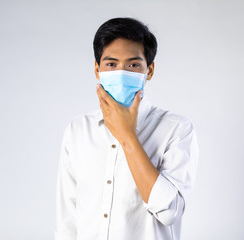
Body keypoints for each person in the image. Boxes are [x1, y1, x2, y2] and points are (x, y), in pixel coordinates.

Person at [55, 17, 199, 240]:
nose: (121, 73)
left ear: (149, 70)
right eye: (111, 64)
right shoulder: (78, 129)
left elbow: (170, 212)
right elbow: (67, 219)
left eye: (133, 65)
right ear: (97, 69)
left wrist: (127, 136)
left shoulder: (176, 130)